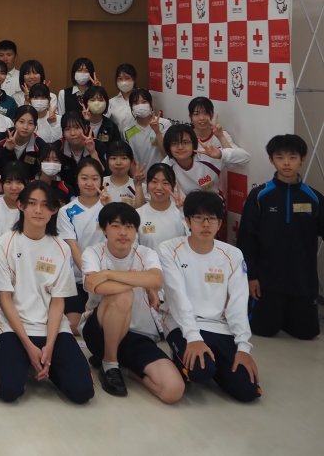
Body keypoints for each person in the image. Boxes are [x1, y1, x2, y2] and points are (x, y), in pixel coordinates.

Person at [0, 181, 93, 404]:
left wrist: (49, 347)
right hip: (13, 327)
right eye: (32, 203)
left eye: (45, 205)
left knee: (83, 392)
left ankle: (43, 364)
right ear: (21, 206)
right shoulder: (3, 245)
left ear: (54, 210)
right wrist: (28, 345)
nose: (38, 210)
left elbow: (58, 302)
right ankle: (17, 357)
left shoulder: (61, 248)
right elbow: (5, 300)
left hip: (51, 328)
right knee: (8, 390)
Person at [160, 191, 261, 402]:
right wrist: (193, 338)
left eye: (211, 218)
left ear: (220, 223)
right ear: (188, 221)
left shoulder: (233, 254)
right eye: (198, 217)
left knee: (247, 391)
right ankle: (183, 356)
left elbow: (238, 302)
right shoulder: (170, 249)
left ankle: (213, 363)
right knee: (201, 371)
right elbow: (177, 297)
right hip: (181, 324)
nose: (205, 224)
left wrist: (243, 347)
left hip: (219, 326)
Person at [81, 203, 184, 402]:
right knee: (123, 295)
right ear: (104, 229)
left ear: (136, 230)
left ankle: (127, 369)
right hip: (99, 331)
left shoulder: (146, 253)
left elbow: (156, 280)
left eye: (129, 227)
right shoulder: (93, 253)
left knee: (173, 390)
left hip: (138, 333)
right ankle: (110, 364)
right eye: (116, 226)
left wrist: (108, 274)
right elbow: (95, 285)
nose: (123, 232)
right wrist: (140, 282)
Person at [238, 133, 324, 340]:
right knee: (263, 331)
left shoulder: (314, 197)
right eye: (280, 157)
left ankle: (289, 314)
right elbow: (246, 239)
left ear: (302, 159)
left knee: (307, 334)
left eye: (292, 157)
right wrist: (251, 277)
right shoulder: (259, 196)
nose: (286, 163)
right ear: (271, 160)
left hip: (303, 280)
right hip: (267, 281)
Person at [58, 158, 106, 334]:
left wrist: (109, 207)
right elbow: (72, 246)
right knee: (74, 326)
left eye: (94, 178)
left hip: (106, 278)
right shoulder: (67, 211)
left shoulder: (110, 207)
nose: (89, 183)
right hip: (78, 279)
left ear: (101, 181)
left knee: (108, 321)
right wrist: (88, 275)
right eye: (84, 178)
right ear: (77, 179)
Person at [135, 163, 187, 252]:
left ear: (173, 186)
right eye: (154, 182)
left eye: (165, 183)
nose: (159, 187)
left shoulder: (182, 213)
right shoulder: (138, 214)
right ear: (147, 184)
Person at [0, 105, 46, 180]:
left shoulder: (40, 145)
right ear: (14, 122)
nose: (25, 127)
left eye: (30, 123)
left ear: (35, 126)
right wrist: (7, 151)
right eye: (21, 122)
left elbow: (36, 173)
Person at [123, 88, 170, 173]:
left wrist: (157, 132)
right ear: (131, 107)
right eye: (136, 103)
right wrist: (135, 176)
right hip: (141, 177)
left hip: (162, 175)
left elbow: (167, 154)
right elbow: (130, 159)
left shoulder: (164, 124)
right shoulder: (127, 130)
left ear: (151, 103)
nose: (140, 106)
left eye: (144, 102)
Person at [0, 162, 26, 239]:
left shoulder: (33, 208)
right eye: (8, 182)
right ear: (2, 184)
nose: (14, 187)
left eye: (19, 182)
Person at [102, 140, 145, 207]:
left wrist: (138, 186)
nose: (118, 163)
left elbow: (140, 211)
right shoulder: (99, 183)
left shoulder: (141, 187)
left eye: (124, 158)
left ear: (131, 161)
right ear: (107, 161)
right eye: (113, 158)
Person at [107, 63, 139, 133]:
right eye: (120, 79)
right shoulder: (111, 102)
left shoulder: (142, 98)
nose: (124, 82)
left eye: (127, 78)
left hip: (142, 138)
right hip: (120, 139)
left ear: (134, 79)